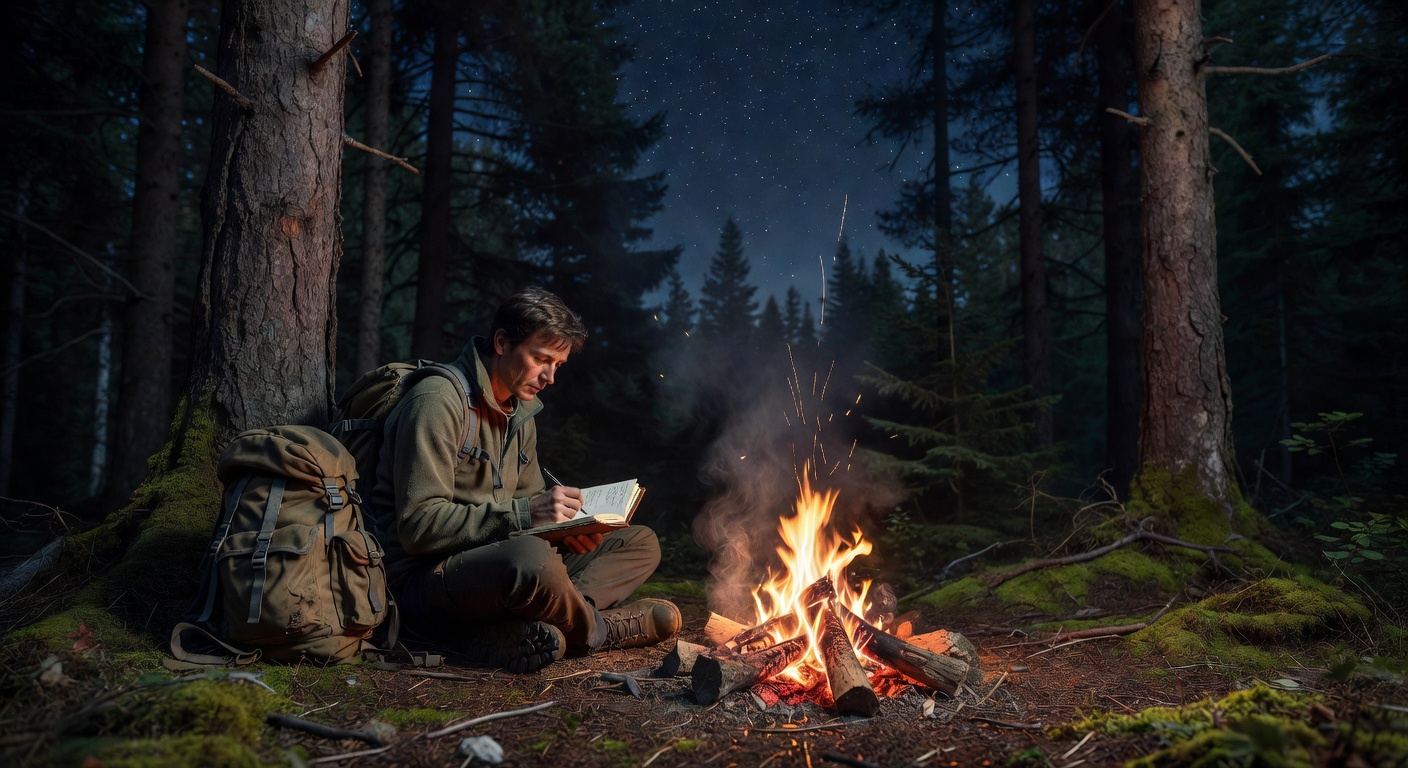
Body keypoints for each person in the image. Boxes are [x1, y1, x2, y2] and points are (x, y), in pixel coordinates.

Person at [369, 287, 680, 672]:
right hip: (425, 580)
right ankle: (600, 631)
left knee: (639, 542)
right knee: (530, 561)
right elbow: (418, 527)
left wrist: (568, 529)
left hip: (496, 564)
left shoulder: (520, 413)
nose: (549, 377)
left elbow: (530, 508)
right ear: (502, 342)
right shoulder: (437, 402)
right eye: (540, 358)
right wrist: (525, 515)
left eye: (559, 365)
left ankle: (523, 625)